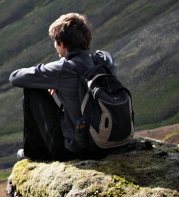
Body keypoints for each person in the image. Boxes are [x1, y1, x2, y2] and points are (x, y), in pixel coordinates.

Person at [8, 12, 117, 161]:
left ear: (62, 43)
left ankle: (35, 154)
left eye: (55, 41)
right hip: (110, 143)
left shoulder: (65, 68)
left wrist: (47, 80)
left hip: (77, 151)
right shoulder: (104, 61)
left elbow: (15, 77)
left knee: (31, 89)